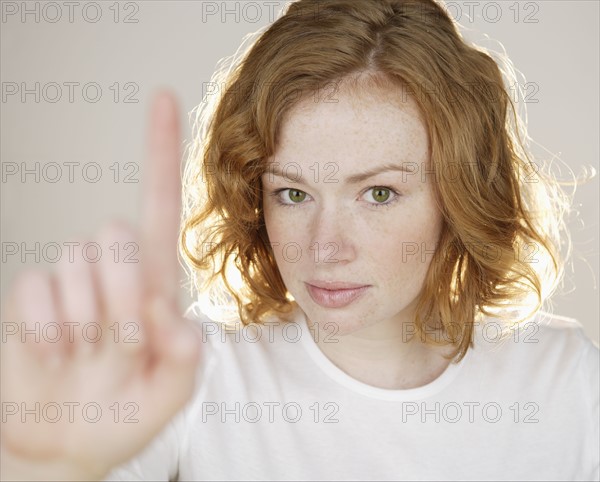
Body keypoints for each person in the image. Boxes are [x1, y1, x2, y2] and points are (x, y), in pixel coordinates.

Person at [1, 0, 598, 480]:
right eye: (293, 193)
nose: (324, 248)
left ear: (459, 196)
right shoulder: (197, 370)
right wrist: (50, 468)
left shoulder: (563, 381)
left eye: (379, 193)